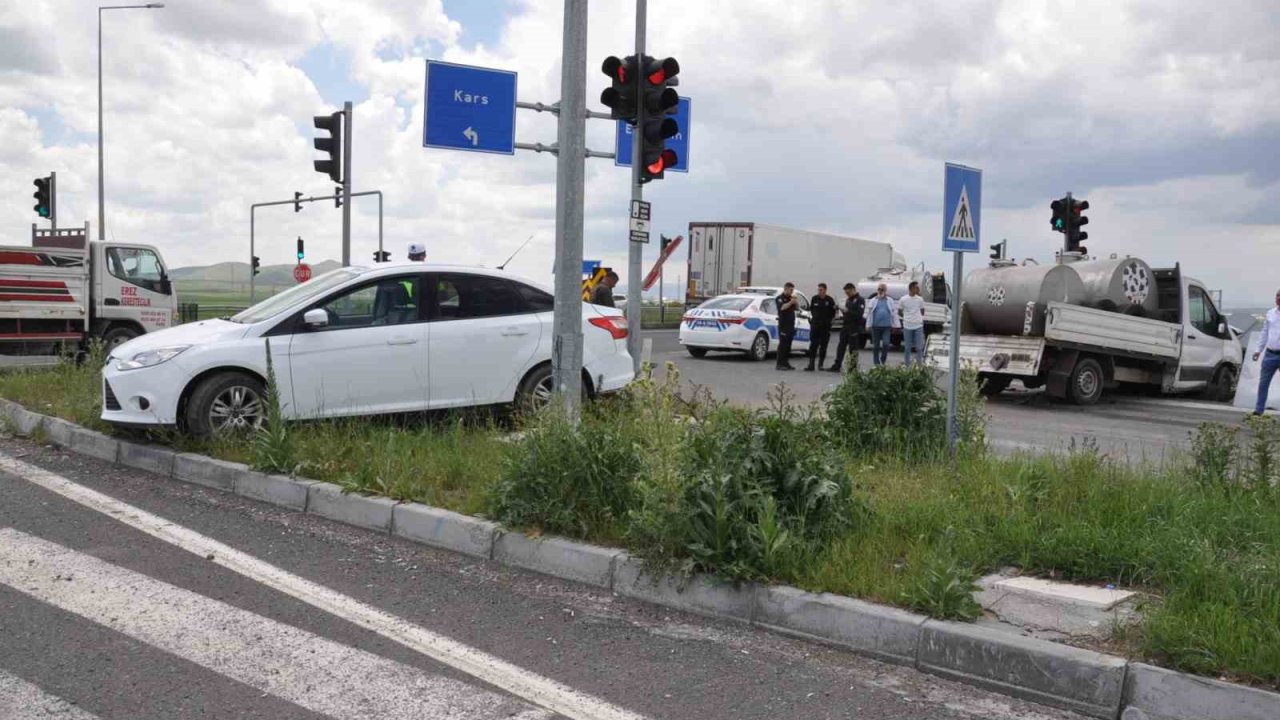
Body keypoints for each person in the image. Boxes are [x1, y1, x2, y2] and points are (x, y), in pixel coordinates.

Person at [1253, 288, 1280, 415]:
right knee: (1263, 383)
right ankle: (1259, 410)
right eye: (1277, 295)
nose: (1278, 298)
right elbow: (1264, 333)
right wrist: (1258, 350)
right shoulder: (1270, 313)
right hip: (1270, 354)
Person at [829, 283, 865, 372]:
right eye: (846, 293)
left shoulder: (860, 300)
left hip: (854, 327)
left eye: (848, 292)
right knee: (841, 346)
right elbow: (847, 313)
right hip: (845, 326)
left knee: (853, 348)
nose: (847, 294)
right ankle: (837, 365)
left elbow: (859, 315)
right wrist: (841, 309)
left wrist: (847, 311)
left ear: (853, 289)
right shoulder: (848, 300)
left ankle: (853, 368)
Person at [864, 283, 899, 367]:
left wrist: (896, 325)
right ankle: (876, 363)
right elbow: (869, 314)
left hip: (886, 326)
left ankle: (883, 360)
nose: (880, 291)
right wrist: (867, 325)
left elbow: (894, 313)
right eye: (879, 289)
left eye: (882, 289)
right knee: (876, 346)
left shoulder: (890, 300)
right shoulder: (873, 300)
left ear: (885, 291)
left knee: (886, 343)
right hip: (875, 326)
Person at [805, 283, 837, 371]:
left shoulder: (829, 300)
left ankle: (821, 365)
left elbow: (834, 313)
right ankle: (811, 365)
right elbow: (811, 310)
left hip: (825, 327)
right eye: (818, 290)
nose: (819, 291)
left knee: (823, 346)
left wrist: (831, 322)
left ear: (825, 290)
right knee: (813, 345)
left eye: (821, 290)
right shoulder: (814, 299)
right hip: (815, 326)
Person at [899, 281, 927, 367]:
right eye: (916, 287)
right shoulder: (903, 299)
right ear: (911, 289)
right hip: (907, 326)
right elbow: (899, 311)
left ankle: (920, 365)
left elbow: (922, 312)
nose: (918, 289)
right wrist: (907, 317)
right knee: (907, 348)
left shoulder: (920, 299)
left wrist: (916, 316)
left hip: (918, 325)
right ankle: (907, 366)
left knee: (919, 347)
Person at [775, 282, 799, 371]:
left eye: (793, 290)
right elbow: (782, 308)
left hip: (791, 325)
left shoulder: (791, 298)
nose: (792, 292)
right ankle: (779, 364)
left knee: (788, 345)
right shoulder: (780, 298)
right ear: (785, 288)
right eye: (790, 290)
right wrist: (791, 302)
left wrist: (795, 301)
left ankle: (786, 362)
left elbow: (797, 308)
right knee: (783, 345)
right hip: (783, 325)